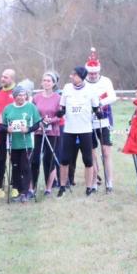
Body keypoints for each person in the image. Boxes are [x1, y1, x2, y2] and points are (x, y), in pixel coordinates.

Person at [57, 66, 101, 197]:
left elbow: (96, 107)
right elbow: (62, 106)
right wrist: (61, 112)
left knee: (88, 160)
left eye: (74, 75)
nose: (71, 77)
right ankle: (62, 186)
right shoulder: (67, 88)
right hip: (69, 130)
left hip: (85, 130)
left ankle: (88, 187)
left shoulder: (90, 90)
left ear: (81, 77)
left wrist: (99, 113)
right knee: (64, 160)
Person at [85, 48, 117, 193]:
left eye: (95, 73)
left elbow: (112, 97)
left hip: (103, 120)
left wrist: (99, 102)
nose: (92, 76)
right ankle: (95, 180)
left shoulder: (106, 81)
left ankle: (109, 182)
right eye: (90, 73)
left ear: (99, 72)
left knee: (106, 151)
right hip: (87, 122)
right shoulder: (83, 82)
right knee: (92, 152)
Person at [2, 86, 42, 203]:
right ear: (14, 96)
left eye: (23, 95)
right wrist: (7, 129)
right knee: (15, 168)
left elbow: (37, 124)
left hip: (27, 143)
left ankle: (25, 192)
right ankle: (19, 192)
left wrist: (28, 129)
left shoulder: (31, 107)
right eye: (19, 95)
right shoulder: (8, 108)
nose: (21, 97)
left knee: (25, 167)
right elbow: (3, 125)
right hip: (13, 143)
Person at [31, 71, 61, 196]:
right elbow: (32, 113)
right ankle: (32, 187)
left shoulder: (58, 98)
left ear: (54, 83)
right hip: (38, 131)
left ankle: (48, 188)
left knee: (49, 160)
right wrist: (39, 122)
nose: (46, 83)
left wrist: (51, 120)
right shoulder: (36, 97)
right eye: (44, 80)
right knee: (35, 160)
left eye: (49, 81)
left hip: (52, 132)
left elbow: (60, 116)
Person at [0, 69, 16, 197]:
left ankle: (14, 186)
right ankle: (0, 187)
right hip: (0, 130)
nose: (2, 79)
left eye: (6, 77)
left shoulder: (18, 91)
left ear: (12, 79)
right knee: (1, 159)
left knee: (15, 159)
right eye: (2, 76)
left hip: (15, 130)